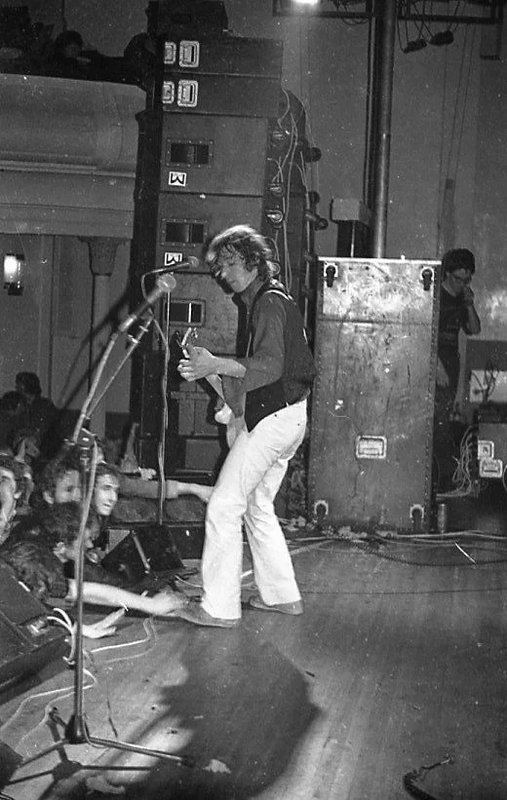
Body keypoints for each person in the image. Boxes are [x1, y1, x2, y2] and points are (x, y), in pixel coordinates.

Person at [176, 224, 316, 627]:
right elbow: (259, 377)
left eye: (229, 264)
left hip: (274, 421)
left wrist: (215, 363)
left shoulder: (268, 304)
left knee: (224, 506)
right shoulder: (272, 300)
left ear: (253, 262)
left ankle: (218, 607)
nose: (223, 274)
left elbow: (269, 368)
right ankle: (282, 596)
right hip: (290, 418)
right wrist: (208, 371)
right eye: (218, 268)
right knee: (257, 506)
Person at [0, 501, 186, 618]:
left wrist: (80, 630)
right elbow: (84, 591)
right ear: (62, 546)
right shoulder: (38, 561)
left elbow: (82, 589)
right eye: (85, 540)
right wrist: (150, 604)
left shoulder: (37, 547)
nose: (89, 545)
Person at [434, 248, 481, 492]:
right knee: (437, 420)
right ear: (447, 274)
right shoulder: (436, 296)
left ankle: (445, 477)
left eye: (466, 280)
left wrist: (469, 304)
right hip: (435, 360)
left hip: (451, 361)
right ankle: (445, 477)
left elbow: (474, 329)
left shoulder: (461, 298)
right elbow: (426, 334)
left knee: (443, 417)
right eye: (458, 279)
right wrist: (437, 367)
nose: (462, 284)